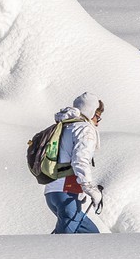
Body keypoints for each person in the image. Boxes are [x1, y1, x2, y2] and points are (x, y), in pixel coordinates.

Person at [43, 92, 104, 234]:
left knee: (91, 235)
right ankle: (30, 256)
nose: (98, 121)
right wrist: (89, 188)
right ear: (91, 112)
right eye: (98, 116)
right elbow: (80, 160)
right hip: (66, 193)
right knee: (60, 245)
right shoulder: (85, 129)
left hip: (52, 193)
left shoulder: (64, 125)